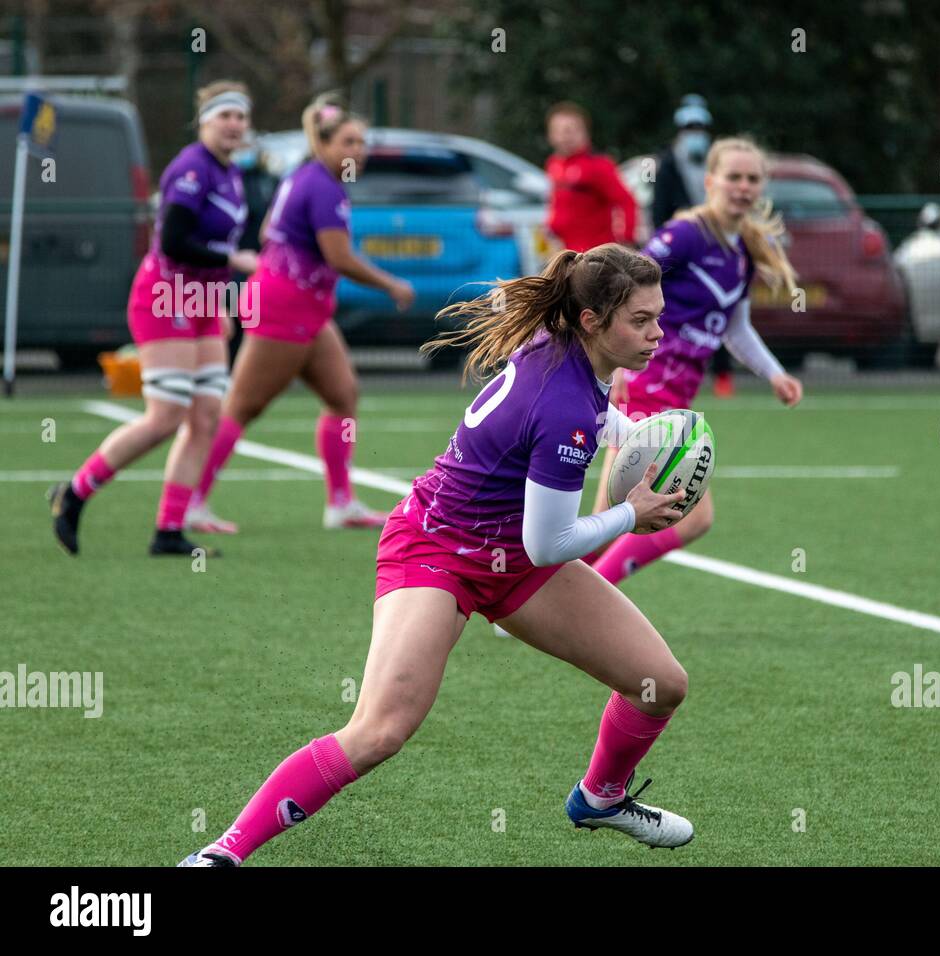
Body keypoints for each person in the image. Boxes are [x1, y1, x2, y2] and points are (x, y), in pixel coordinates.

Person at [179, 244, 696, 867]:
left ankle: (601, 797)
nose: (656, 333)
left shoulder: (574, 351)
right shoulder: (561, 405)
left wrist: (634, 436)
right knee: (379, 731)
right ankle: (222, 853)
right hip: (436, 549)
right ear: (592, 320)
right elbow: (549, 543)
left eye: (658, 316)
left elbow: (587, 425)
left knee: (660, 685)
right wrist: (630, 515)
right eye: (641, 320)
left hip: (510, 556)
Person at [188, 93, 415, 532]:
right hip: (284, 307)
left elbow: (267, 229)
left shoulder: (306, 176)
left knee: (343, 395)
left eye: (362, 143)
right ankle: (191, 502)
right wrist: (391, 285)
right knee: (241, 407)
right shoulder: (323, 186)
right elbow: (340, 257)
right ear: (324, 144)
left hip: (303, 307)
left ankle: (340, 503)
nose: (358, 151)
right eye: (348, 142)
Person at [48, 81, 258, 556]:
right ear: (204, 121)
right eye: (224, 115)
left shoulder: (231, 173)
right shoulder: (191, 168)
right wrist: (235, 263)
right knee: (165, 417)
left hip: (201, 301)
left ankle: (168, 530)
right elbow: (174, 243)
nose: (233, 124)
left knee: (205, 418)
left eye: (240, 117)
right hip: (166, 297)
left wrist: (221, 301)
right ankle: (75, 492)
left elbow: (208, 254)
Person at [587, 137, 803, 584]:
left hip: (673, 398)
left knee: (605, 523)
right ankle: (584, 600)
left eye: (752, 178)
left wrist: (775, 373)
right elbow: (627, 284)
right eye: (733, 177)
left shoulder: (740, 254)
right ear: (710, 182)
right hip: (644, 385)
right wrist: (621, 362)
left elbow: (735, 327)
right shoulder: (685, 236)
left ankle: (544, 599)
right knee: (692, 515)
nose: (743, 186)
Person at [651, 94, 736, 398]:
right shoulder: (667, 163)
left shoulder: (720, 165)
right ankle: (663, 365)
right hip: (681, 247)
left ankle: (723, 374)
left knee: (719, 305)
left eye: (699, 126)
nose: (694, 133)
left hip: (715, 246)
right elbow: (658, 211)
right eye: (689, 127)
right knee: (671, 307)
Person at [543, 101, 639, 253]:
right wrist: (552, 226)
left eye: (569, 131)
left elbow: (626, 202)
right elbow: (556, 203)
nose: (563, 137)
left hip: (596, 255)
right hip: (566, 253)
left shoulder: (598, 165)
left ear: (584, 133)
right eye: (557, 131)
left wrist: (627, 239)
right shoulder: (554, 163)